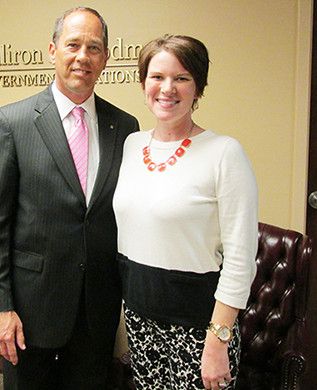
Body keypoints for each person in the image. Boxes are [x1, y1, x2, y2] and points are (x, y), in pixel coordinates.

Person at [0, 6, 139, 390]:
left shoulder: (125, 127)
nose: (83, 56)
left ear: (105, 58)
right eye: (73, 45)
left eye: (94, 48)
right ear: (53, 51)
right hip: (30, 314)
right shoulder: (11, 123)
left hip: (96, 314)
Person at [113, 35, 258, 390]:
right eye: (157, 77)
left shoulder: (224, 153)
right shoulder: (132, 145)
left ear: (199, 88)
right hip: (139, 318)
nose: (167, 88)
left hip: (200, 328)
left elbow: (241, 259)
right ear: (143, 82)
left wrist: (218, 341)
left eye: (181, 78)